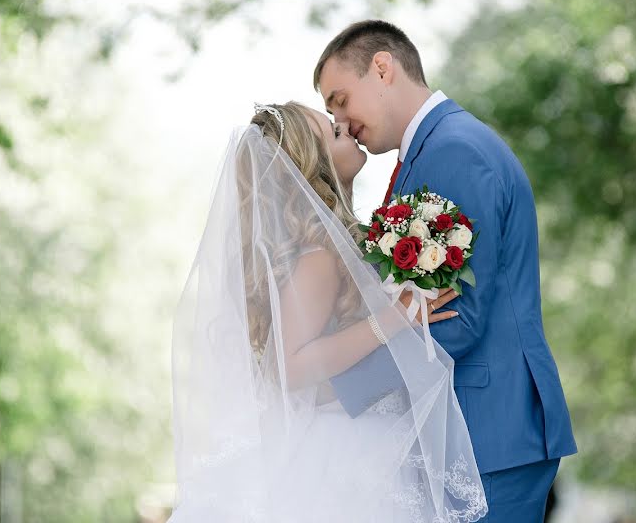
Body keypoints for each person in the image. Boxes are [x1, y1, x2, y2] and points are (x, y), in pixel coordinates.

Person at [168, 101, 487, 522]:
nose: (345, 126)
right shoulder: (318, 254)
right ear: (313, 166)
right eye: (334, 132)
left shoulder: (334, 240)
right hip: (341, 455)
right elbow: (292, 366)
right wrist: (392, 320)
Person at [315, 20, 578, 522]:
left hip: (489, 432)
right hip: (476, 434)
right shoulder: (434, 149)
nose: (342, 123)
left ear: (382, 67)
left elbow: (457, 317)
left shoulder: (452, 150)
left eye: (341, 99)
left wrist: (340, 390)